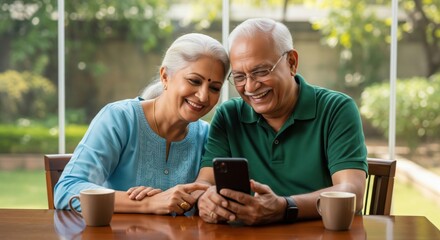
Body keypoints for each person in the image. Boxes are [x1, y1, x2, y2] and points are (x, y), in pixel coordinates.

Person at [195, 18, 368, 225]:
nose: (250, 87)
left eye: (260, 71)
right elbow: (204, 183)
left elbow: (351, 192)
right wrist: (206, 199)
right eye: (240, 77)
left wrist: (285, 208)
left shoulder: (336, 109)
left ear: (292, 63)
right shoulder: (228, 116)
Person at [54, 33, 230, 215]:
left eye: (214, 88)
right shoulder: (120, 119)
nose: (203, 96)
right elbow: (66, 189)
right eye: (194, 81)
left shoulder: (208, 138)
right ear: (165, 76)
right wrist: (147, 203)